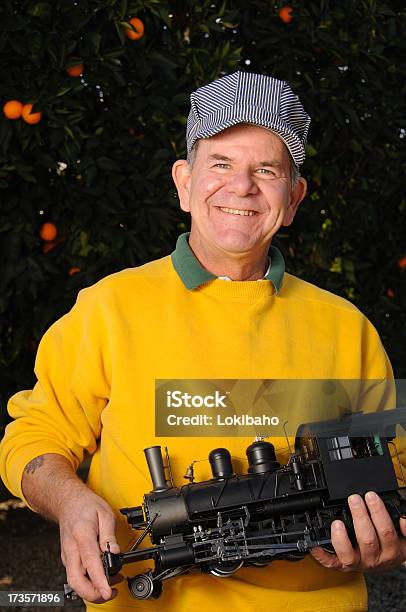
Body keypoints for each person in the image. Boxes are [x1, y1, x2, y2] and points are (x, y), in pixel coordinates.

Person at [1, 71, 405, 612]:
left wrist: (389, 540)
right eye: (220, 164)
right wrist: (71, 500)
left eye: (267, 169)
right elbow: (33, 436)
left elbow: (395, 475)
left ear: (293, 199)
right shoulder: (109, 308)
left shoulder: (346, 328)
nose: (242, 187)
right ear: (184, 183)